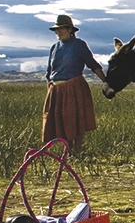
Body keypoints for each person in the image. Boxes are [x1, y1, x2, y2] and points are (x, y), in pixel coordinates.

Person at [42, 14, 107, 154]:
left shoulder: (79, 45)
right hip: (57, 89)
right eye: (56, 30)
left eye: (61, 29)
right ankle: (68, 150)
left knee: (75, 119)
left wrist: (106, 82)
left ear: (70, 29)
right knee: (60, 121)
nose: (58, 32)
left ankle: (76, 151)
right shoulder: (54, 47)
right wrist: (50, 87)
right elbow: (49, 70)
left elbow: (93, 64)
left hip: (74, 86)